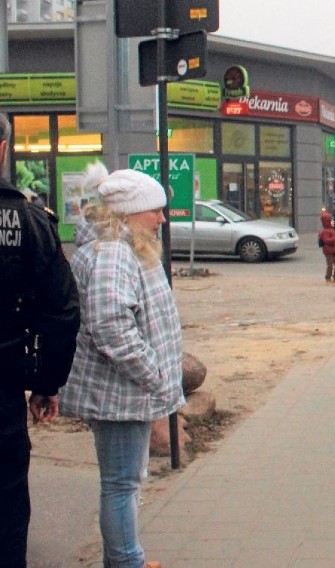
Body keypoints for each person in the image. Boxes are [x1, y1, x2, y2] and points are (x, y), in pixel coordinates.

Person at [59, 162, 184, 568]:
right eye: (156, 210)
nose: (162, 219)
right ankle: (126, 561)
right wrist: (155, 375)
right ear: (130, 212)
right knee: (121, 484)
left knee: (126, 481)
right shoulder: (115, 252)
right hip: (121, 393)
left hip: (126, 392)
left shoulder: (125, 246)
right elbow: (111, 326)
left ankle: (125, 557)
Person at [0, 112, 80, 568]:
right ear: (4, 149)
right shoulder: (28, 222)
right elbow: (63, 314)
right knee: (7, 510)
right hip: (4, 391)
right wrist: (47, 384)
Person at [318, 211, 335, 285]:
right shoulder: (325, 232)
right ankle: (328, 278)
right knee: (330, 265)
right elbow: (326, 241)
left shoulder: (332, 229)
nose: (333, 222)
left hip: (334, 250)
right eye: (331, 220)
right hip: (328, 251)